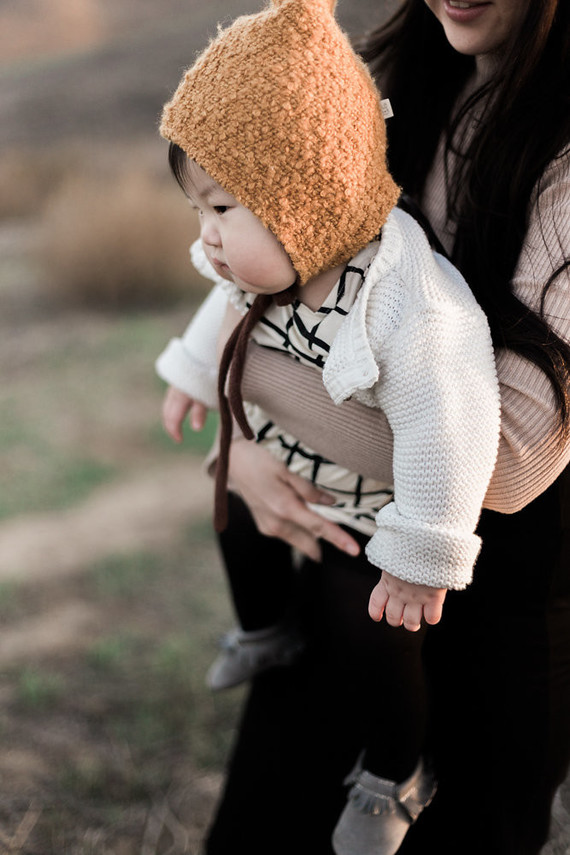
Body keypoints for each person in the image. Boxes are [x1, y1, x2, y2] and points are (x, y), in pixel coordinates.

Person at [157, 0, 570, 853]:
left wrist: (254, 381)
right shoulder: (387, 88)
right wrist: (241, 460)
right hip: (343, 553)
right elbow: (260, 289)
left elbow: (509, 462)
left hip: (497, 605)